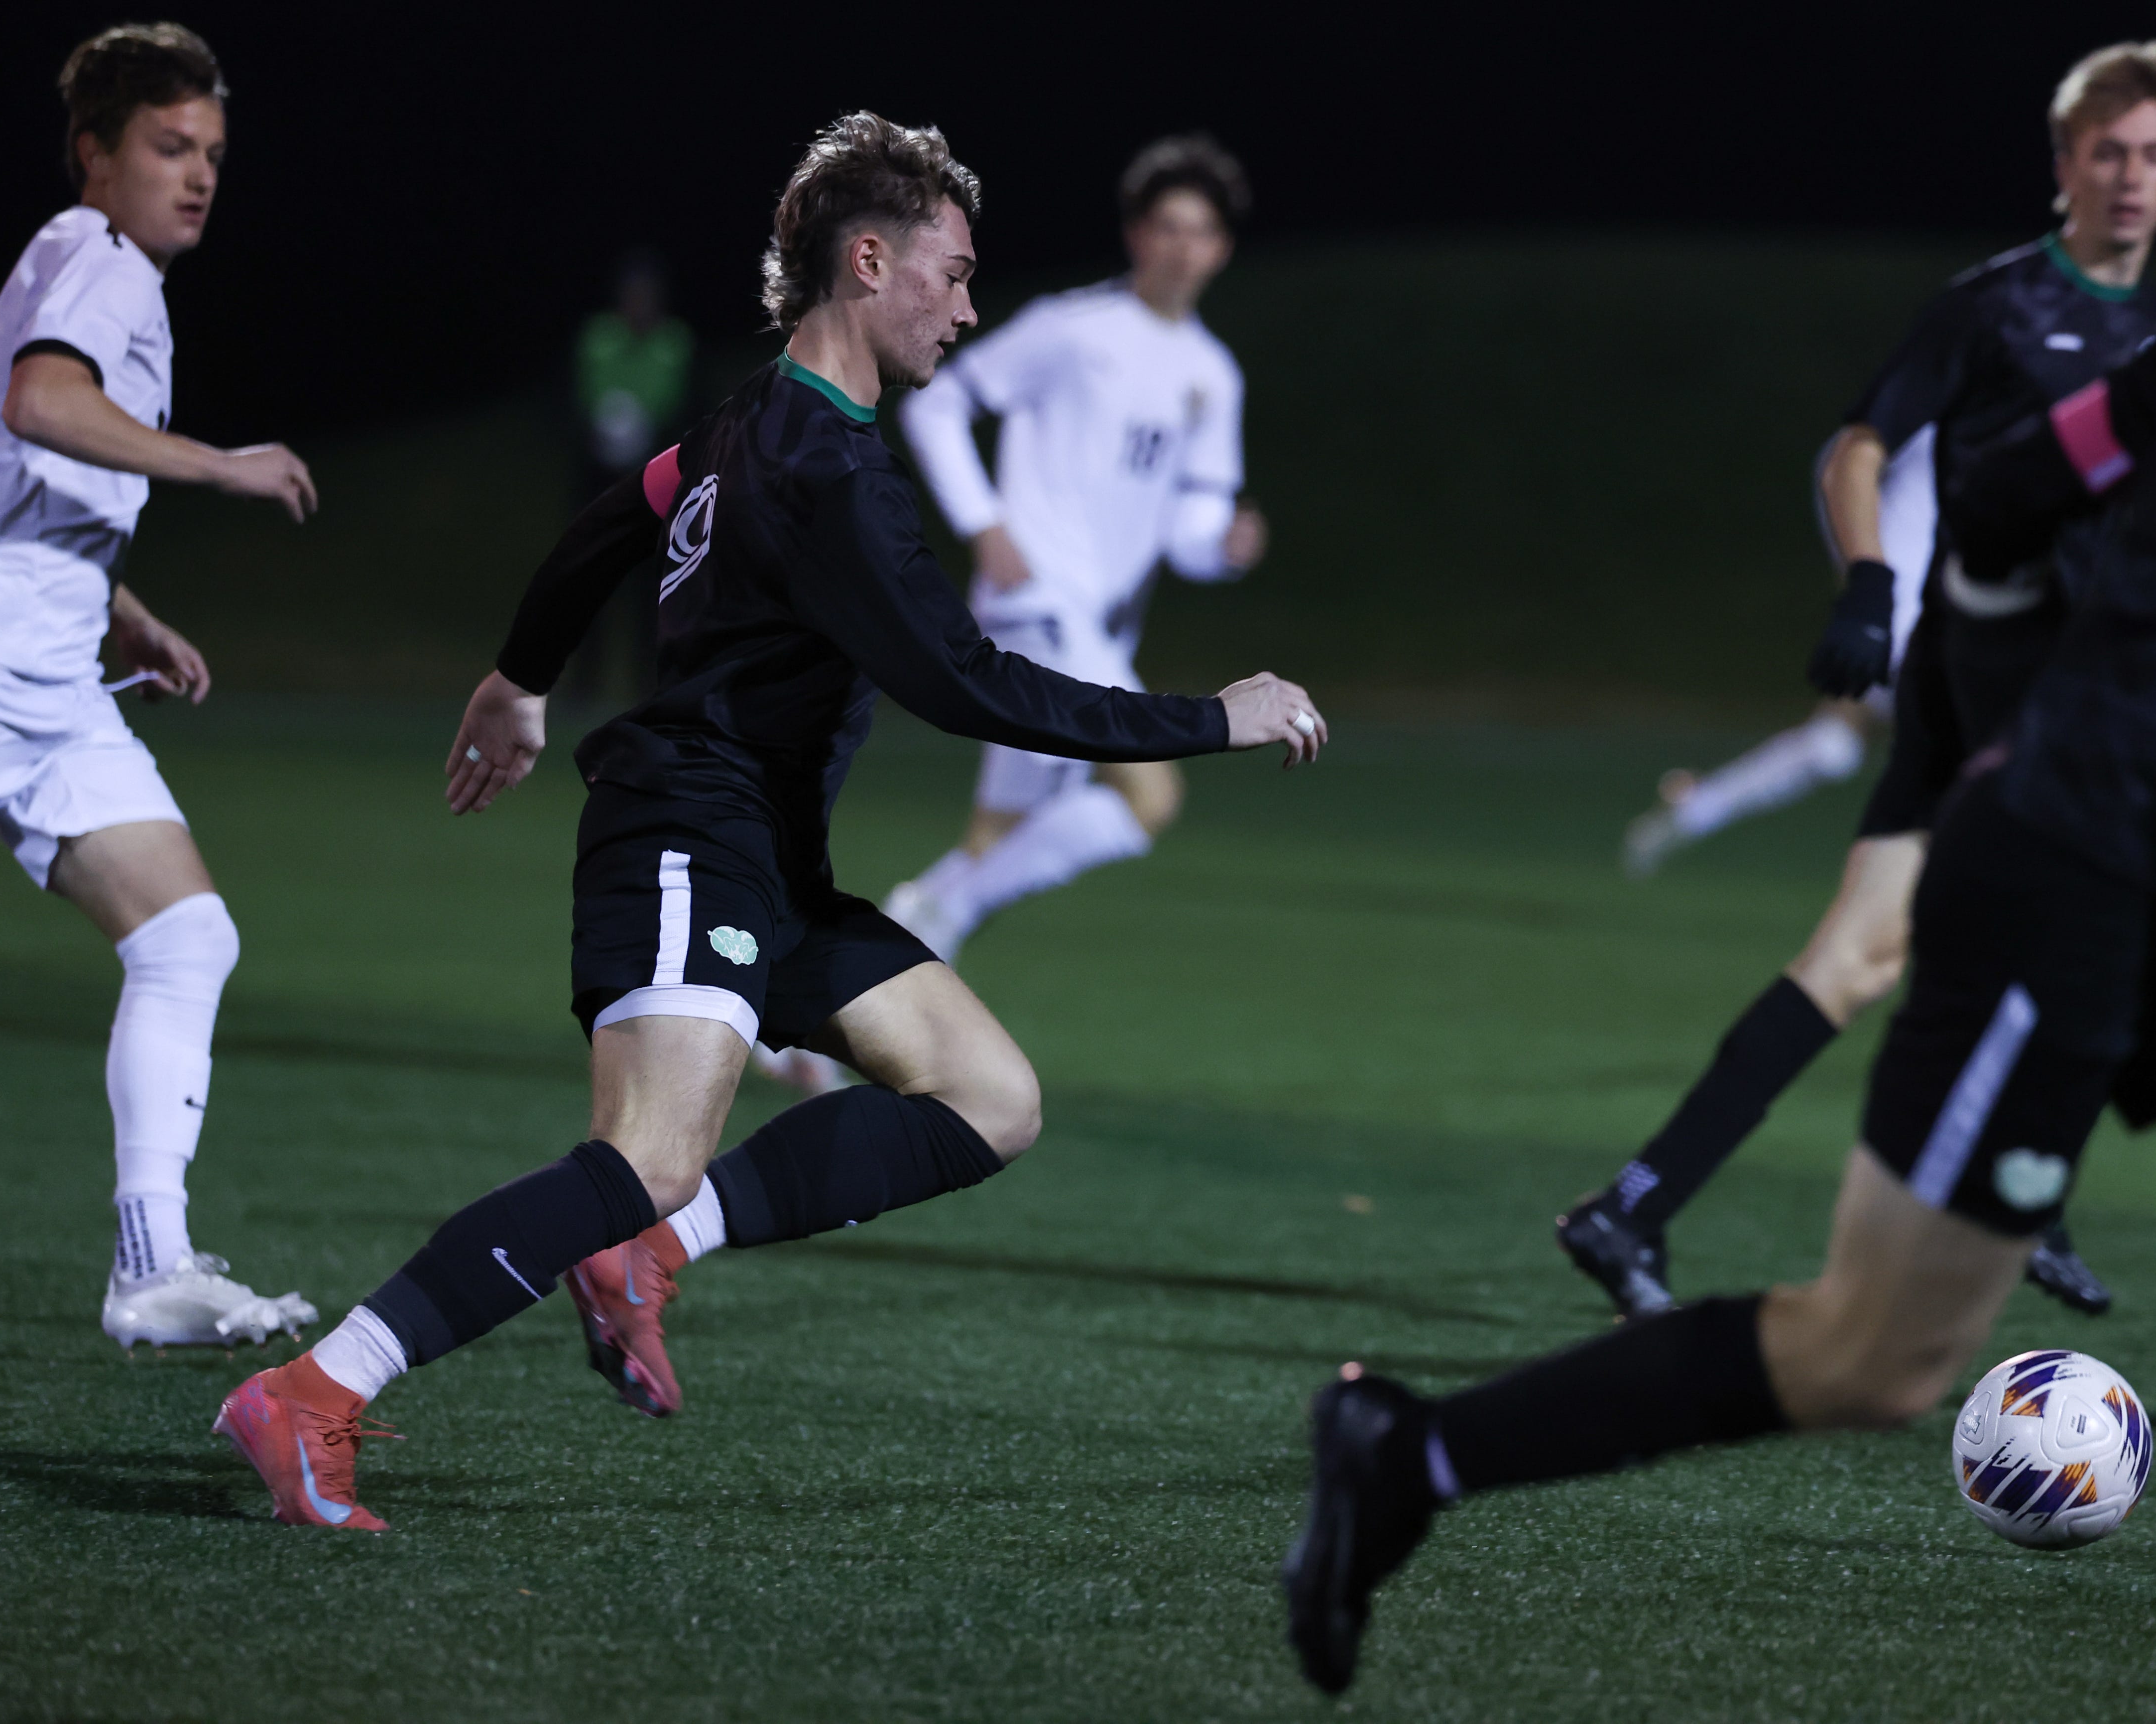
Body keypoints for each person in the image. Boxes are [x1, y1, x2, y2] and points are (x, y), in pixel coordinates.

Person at [1281, 7, 2156, 1720]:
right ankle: (1404, 1454)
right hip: (2078, 883)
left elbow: (2005, 489)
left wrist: (2031, 701)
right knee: (1873, 1356)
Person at [211, 112, 1327, 1526]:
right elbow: (966, 682)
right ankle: (315, 1388)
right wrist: (1205, 717)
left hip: (771, 861)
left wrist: (519, 676)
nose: (971, 306)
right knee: (643, 1152)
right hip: (687, 835)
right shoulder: (823, 472)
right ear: (869, 261)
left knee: (991, 1097)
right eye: (954, 272)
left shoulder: (748, 427)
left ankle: (649, 1252)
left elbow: (610, 523)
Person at [1557, 40, 2156, 1323]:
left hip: (2068, 698)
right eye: (2107, 153)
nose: (2129, 178)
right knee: (2095, 935)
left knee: (1863, 956)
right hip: (1984, 688)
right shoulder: (1997, 307)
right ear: (2065, 162)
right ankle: (2021, 1192)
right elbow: (1858, 448)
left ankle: (1633, 1202)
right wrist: (1869, 583)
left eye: (2155, 156)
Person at [0, 22, 321, 1351]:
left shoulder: (94, 264)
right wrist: (220, 462)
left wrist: (126, 607)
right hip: (5, 671)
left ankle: (152, 1259)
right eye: (167, 148)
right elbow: (40, 403)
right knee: (185, 944)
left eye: (213, 155)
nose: (196, 176)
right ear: (96, 155)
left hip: (48, 676)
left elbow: (19, 466)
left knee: (186, 937)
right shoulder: (95, 258)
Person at [879, 133, 1266, 968]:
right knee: (1149, 792)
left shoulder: (1213, 374)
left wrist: (1224, 548)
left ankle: (809, 1025)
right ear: (1136, 234)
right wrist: (985, 523)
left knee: (997, 836)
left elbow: (1187, 533)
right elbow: (937, 404)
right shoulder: (1071, 327)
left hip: (1097, 626)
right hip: (1037, 604)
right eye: (1165, 225)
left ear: (1221, 249)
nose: (1180, 245)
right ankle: (932, 912)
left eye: (1198, 231)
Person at [568, 249, 696, 702]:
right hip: (601, 482)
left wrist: (654, 436)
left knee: (654, 589)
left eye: (647, 297)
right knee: (590, 584)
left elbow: (687, 408)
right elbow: (576, 403)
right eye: (632, 297)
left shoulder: (674, 342)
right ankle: (584, 684)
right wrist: (598, 436)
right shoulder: (598, 337)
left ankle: (651, 683)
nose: (639, 305)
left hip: (656, 483)